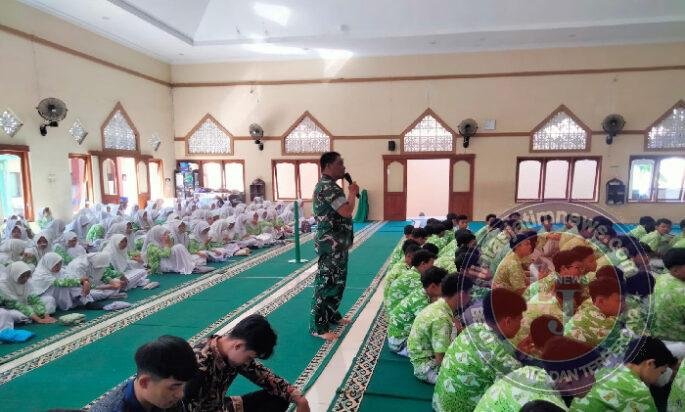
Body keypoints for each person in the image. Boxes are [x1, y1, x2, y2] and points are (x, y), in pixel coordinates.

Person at [185, 314, 310, 412]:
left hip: (219, 406)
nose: (249, 362)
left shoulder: (231, 349)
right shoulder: (199, 365)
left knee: (279, 398)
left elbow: (265, 377)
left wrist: (300, 400)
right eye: (249, 357)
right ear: (238, 346)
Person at [432, 288, 526, 411]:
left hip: (439, 404)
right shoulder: (500, 356)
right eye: (520, 320)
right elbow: (522, 385)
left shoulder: (473, 328)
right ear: (507, 321)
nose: (521, 324)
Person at [309, 151, 358, 341]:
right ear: (328, 166)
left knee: (337, 282)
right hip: (330, 245)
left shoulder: (332, 186)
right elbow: (346, 211)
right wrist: (352, 193)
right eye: (340, 163)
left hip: (338, 244)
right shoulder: (327, 187)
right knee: (326, 282)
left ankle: (331, 315)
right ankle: (318, 326)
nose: (344, 167)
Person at [90, 335, 199, 412]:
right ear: (144, 382)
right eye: (173, 387)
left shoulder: (163, 399)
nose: (180, 394)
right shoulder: (113, 409)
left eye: (183, 385)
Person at [570, 336, 676, 411]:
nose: (659, 377)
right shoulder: (638, 392)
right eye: (661, 372)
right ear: (650, 363)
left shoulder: (603, 373)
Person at [407, 274, 473, 384]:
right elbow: (441, 360)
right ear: (461, 294)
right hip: (428, 367)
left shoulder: (441, 305)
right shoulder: (441, 319)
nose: (470, 297)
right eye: (470, 293)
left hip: (426, 356)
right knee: (472, 374)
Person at [387, 266, 448, 355]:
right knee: (443, 347)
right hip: (400, 343)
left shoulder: (423, 292)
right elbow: (431, 327)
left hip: (403, 337)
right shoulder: (420, 301)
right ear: (433, 287)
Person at [651, 248, 685, 352]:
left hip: (659, 332)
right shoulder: (681, 293)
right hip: (677, 337)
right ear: (676, 270)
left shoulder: (664, 277)